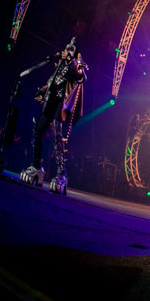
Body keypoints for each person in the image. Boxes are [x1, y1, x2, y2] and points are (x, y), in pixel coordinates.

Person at [21, 44, 88, 194]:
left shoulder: (74, 66)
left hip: (61, 104)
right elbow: (53, 81)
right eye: (66, 49)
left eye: (70, 50)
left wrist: (75, 62)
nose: (66, 52)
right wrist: (42, 91)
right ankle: (36, 166)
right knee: (38, 130)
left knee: (57, 138)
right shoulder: (59, 66)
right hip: (50, 103)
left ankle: (61, 174)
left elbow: (81, 77)